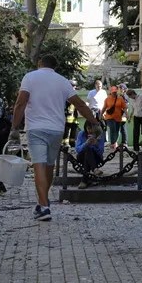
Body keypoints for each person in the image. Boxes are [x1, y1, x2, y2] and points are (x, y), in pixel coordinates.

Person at [11, 55, 101, 222]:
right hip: (56, 129)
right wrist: (94, 122)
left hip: (36, 128)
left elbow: (20, 103)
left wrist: (14, 127)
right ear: (55, 66)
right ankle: (42, 203)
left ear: (39, 63)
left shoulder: (29, 77)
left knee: (39, 165)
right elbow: (80, 104)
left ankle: (44, 207)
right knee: (49, 166)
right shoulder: (62, 81)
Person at [102, 86, 128, 151]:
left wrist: (127, 114)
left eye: (115, 92)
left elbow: (124, 107)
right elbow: (104, 108)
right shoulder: (107, 99)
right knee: (112, 128)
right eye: (113, 92)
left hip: (118, 118)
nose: (114, 93)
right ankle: (112, 143)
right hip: (109, 117)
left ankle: (115, 142)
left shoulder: (121, 99)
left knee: (117, 130)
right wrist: (101, 114)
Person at [63, 79, 80, 147]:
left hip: (74, 117)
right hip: (67, 116)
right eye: (72, 85)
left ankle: (72, 143)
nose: (74, 87)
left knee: (73, 131)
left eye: (74, 86)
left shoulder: (74, 93)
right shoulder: (66, 94)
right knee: (66, 131)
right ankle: (65, 143)